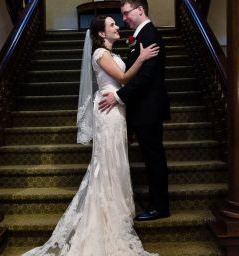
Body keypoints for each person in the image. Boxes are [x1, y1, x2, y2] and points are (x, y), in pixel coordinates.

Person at [21, 15, 160, 256]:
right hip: (108, 113)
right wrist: (142, 58)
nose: (117, 26)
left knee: (115, 161)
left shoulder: (113, 54)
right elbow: (124, 79)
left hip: (117, 110)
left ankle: (115, 209)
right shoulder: (99, 54)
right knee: (106, 163)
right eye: (112, 25)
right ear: (101, 34)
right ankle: (104, 213)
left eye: (116, 23)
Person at [98, 0, 171, 221]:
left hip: (148, 110)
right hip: (142, 109)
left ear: (140, 10)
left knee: (154, 159)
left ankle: (159, 207)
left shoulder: (149, 36)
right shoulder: (141, 37)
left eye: (126, 13)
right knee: (150, 158)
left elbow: (146, 77)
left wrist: (119, 96)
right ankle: (153, 204)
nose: (124, 19)